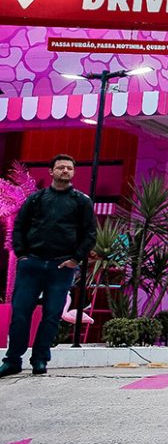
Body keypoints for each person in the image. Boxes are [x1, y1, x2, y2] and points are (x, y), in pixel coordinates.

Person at [1, 154, 96, 377]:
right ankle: (13, 359)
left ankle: (40, 359)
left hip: (61, 267)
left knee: (52, 315)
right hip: (31, 264)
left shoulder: (82, 202)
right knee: (21, 313)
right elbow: (19, 228)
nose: (65, 171)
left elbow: (89, 234)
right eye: (61, 167)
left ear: (73, 173)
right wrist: (22, 255)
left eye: (69, 168)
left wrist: (75, 259)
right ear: (51, 172)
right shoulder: (36, 199)